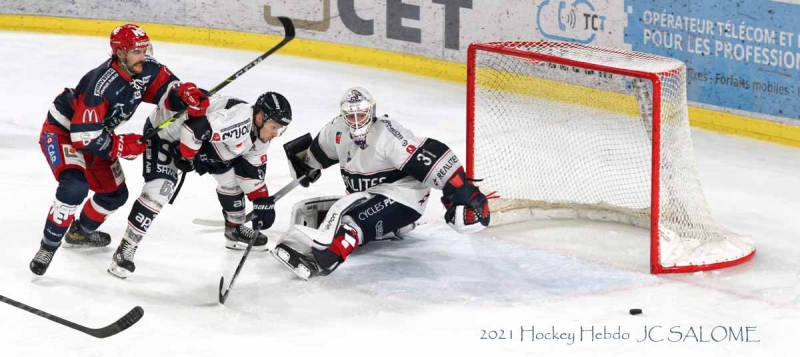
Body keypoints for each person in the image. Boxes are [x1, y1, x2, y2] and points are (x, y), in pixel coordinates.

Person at [30, 24, 206, 276]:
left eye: (145, 49)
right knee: (75, 186)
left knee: (114, 195)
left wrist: (185, 93)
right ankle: (48, 246)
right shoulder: (101, 84)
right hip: (64, 133)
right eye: (136, 51)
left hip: (95, 134)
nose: (143, 56)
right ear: (120, 52)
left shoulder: (145, 68)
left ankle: (80, 233)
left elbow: (168, 89)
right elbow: (83, 136)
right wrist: (121, 145)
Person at [271, 87, 491, 280]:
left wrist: (463, 192)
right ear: (343, 115)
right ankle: (390, 228)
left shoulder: (388, 135)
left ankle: (326, 260)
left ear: (372, 111)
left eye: (362, 114)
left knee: (350, 221)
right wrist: (306, 165)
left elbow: (431, 157)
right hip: (369, 196)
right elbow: (316, 154)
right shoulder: (336, 130)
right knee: (311, 213)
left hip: (404, 195)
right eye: (351, 115)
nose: (356, 120)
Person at [107, 91, 292, 278]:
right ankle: (125, 249)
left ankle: (234, 230)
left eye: (280, 129)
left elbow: (250, 172)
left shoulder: (259, 135)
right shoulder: (237, 122)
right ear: (260, 117)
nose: (275, 134)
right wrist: (187, 156)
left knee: (232, 180)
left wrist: (261, 201)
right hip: (167, 134)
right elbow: (193, 129)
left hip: (201, 143)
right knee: (160, 191)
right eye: (274, 127)